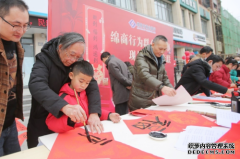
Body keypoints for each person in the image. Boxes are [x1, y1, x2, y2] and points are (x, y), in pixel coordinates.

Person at [27, 32, 103, 148]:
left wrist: (94, 113)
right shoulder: (44, 59)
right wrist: (64, 106)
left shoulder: (77, 61)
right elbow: (37, 84)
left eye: (78, 57)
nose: (73, 60)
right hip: (43, 119)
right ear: (60, 48)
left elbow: (92, 85)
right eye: (71, 54)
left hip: (67, 123)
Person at [46, 61, 121, 133]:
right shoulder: (63, 97)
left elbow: (90, 112)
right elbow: (50, 123)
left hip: (87, 134)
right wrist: (70, 120)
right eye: (81, 81)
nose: (83, 85)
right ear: (71, 75)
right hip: (72, 139)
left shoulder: (85, 94)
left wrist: (108, 115)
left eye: (87, 83)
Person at [0, 0, 29, 156]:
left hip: (10, 123)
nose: (21, 30)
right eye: (16, 24)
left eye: (25, 25)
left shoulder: (16, 44)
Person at [128, 35, 176, 111]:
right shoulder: (142, 56)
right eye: (160, 49)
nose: (162, 52)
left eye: (164, 49)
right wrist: (162, 87)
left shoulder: (161, 58)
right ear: (153, 45)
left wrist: (172, 91)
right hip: (141, 99)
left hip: (155, 98)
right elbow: (144, 75)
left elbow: (164, 77)